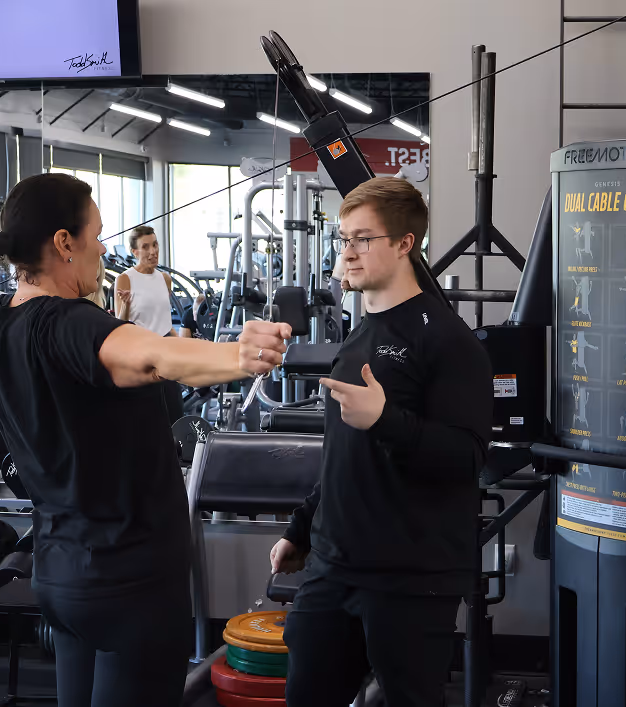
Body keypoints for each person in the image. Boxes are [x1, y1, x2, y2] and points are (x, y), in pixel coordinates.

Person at [0, 173, 291, 707]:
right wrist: (240, 356)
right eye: (96, 234)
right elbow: (158, 357)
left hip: (60, 574)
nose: (103, 248)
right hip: (131, 583)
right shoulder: (72, 325)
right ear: (63, 243)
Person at [269, 177, 493, 707]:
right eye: (345, 238)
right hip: (332, 567)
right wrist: (302, 528)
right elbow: (344, 457)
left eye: (363, 239)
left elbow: (467, 458)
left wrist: (386, 419)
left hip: (410, 581)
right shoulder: (361, 333)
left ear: (404, 244)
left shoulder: (448, 341)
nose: (348, 252)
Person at [114, 226, 187, 417]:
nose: (153, 251)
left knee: (174, 414)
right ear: (134, 252)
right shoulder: (125, 279)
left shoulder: (165, 279)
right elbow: (118, 326)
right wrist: (126, 305)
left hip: (165, 354)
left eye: (155, 244)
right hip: (141, 356)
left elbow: (165, 323)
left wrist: (185, 345)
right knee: (147, 418)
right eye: (145, 247)